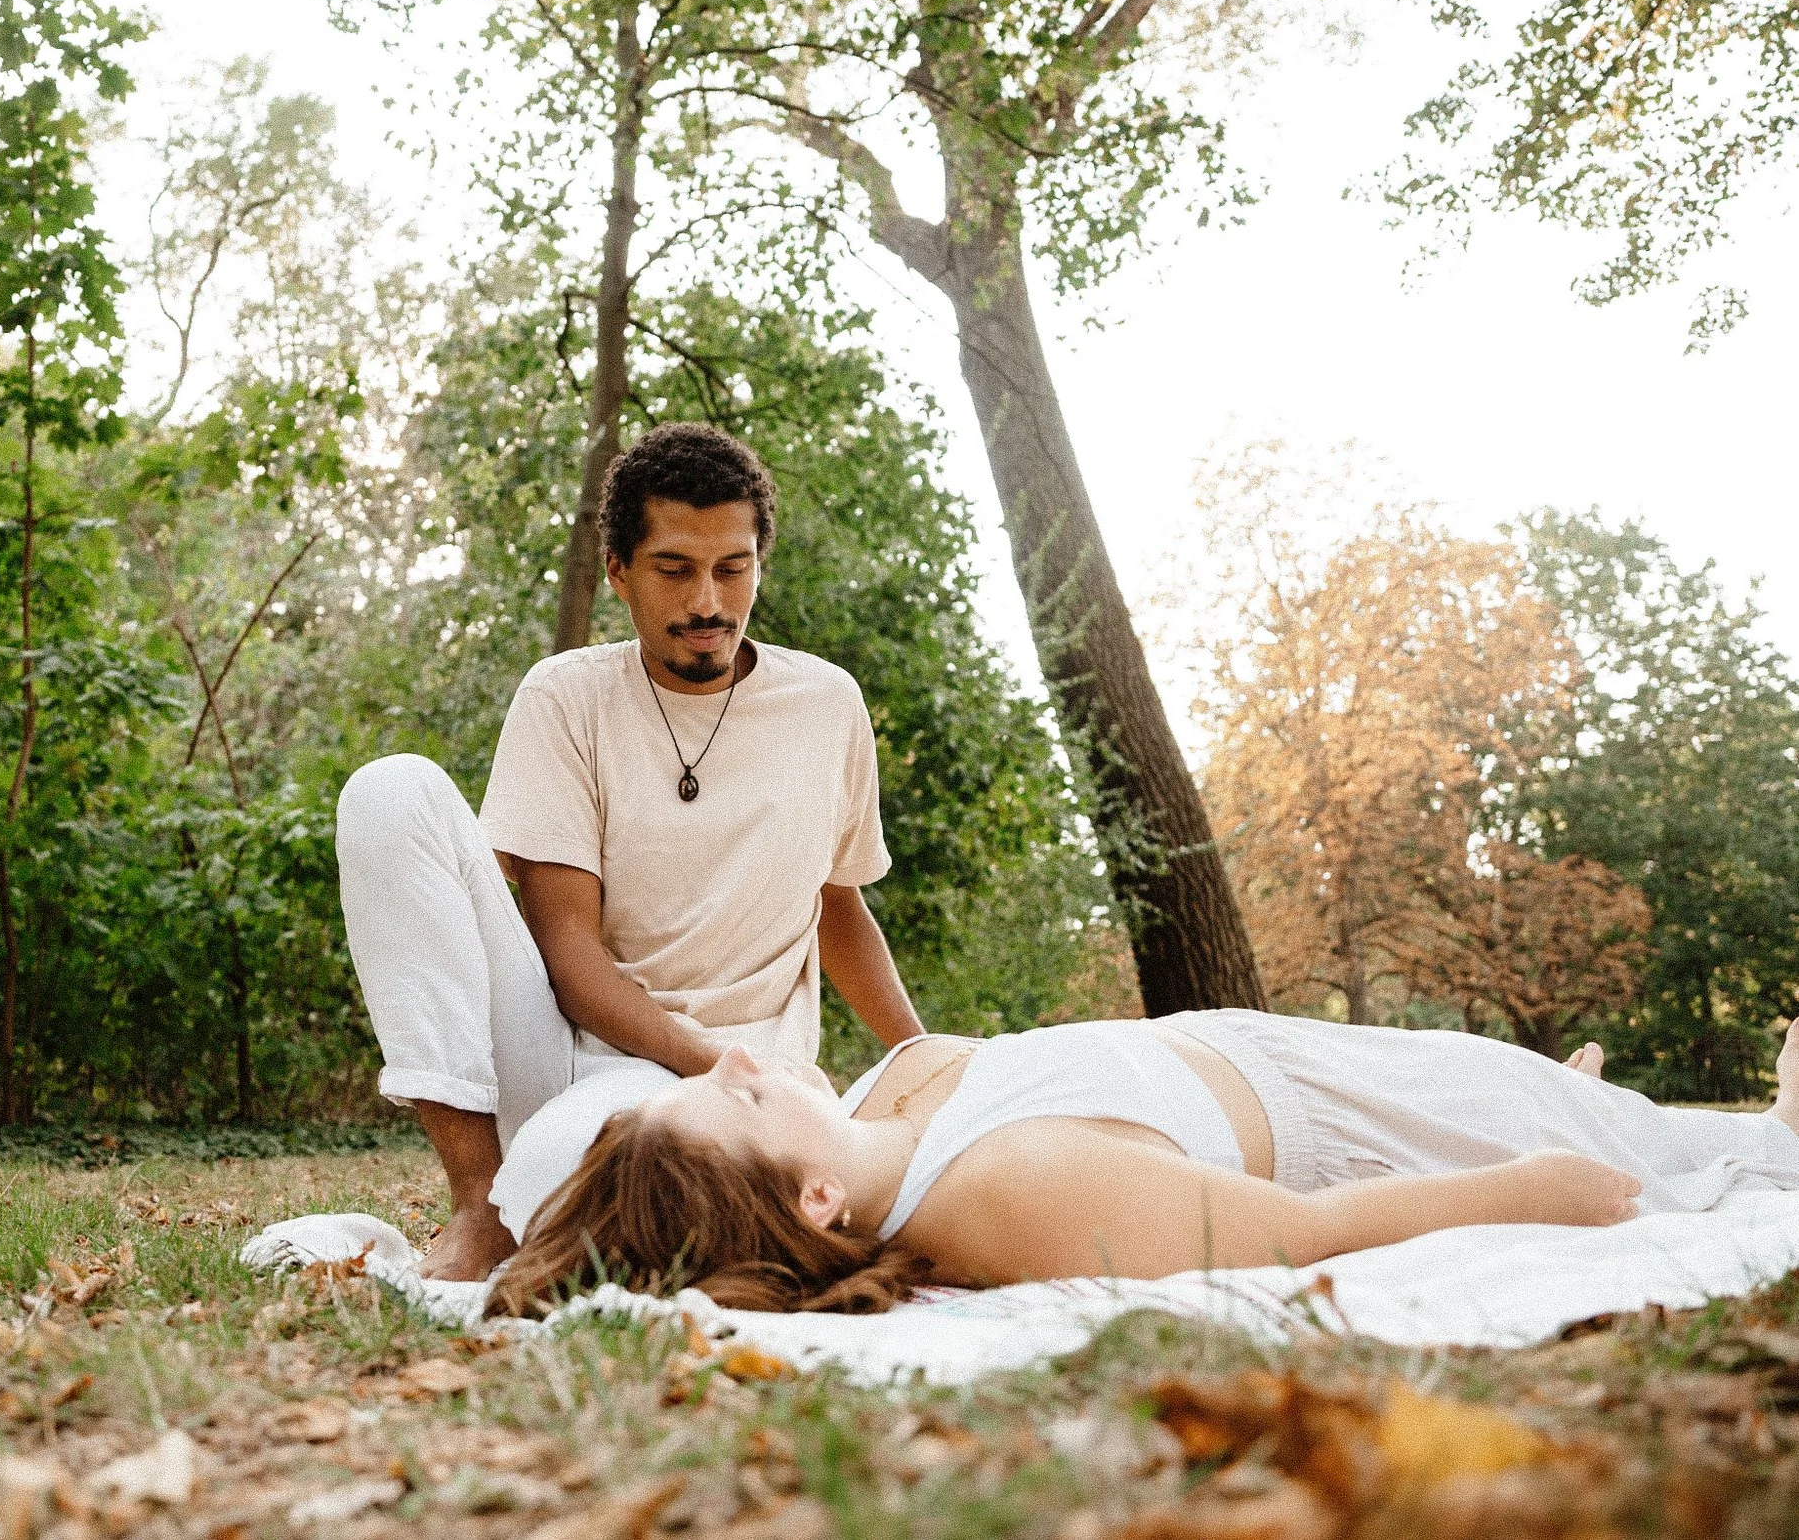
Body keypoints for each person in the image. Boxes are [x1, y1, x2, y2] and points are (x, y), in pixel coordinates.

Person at [336, 423, 928, 1279]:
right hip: (566, 1050)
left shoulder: (828, 705)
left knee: (565, 1183)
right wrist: (707, 1053)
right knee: (389, 791)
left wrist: (927, 1059)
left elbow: (839, 910)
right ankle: (478, 1204)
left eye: (733, 568)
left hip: (733, 1098)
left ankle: (535, 1197)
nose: (708, 603)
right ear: (618, 571)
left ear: (759, 562)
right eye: (675, 569)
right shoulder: (566, 697)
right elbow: (568, 951)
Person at [488, 1011, 1799, 1317]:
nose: (726, 1059)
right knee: (1737, 1149)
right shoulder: (995, 1191)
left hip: (1308, 1047)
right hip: (1370, 1112)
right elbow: (1294, 1231)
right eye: (733, 1102)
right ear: (814, 1198)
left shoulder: (889, 1094)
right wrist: (1519, 1187)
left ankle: (1566, 1093)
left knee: (1616, 1104)